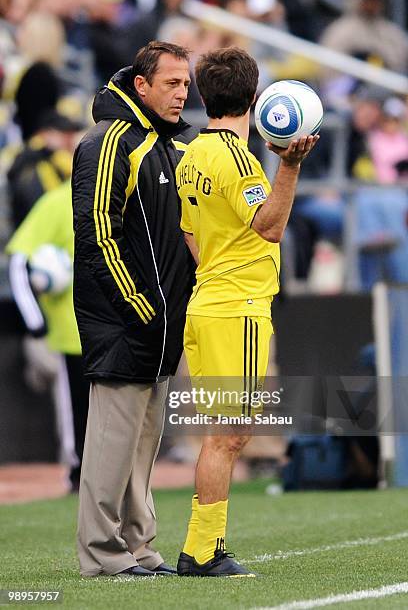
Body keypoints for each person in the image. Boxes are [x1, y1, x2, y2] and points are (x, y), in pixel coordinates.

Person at [176, 46, 318, 576]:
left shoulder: (191, 154)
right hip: (237, 307)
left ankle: (199, 546)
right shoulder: (240, 158)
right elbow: (271, 225)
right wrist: (289, 164)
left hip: (208, 300)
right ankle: (202, 551)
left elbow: (189, 231)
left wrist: (216, 267)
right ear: (255, 99)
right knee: (229, 435)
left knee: (222, 432)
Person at [72, 41, 195, 577]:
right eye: (171, 83)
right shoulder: (109, 141)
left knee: (142, 450)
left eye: (186, 84)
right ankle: (102, 554)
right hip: (125, 323)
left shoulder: (167, 145)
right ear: (141, 86)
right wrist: (137, 304)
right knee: (110, 448)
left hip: (160, 327)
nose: (181, 93)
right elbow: (97, 231)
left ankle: (138, 547)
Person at [6, 180, 89, 492]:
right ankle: (77, 473)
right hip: (71, 332)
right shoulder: (58, 201)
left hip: (115, 329)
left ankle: (111, 477)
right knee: (76, 410)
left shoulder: (121, 195)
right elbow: (18, 259)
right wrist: (34, 320)